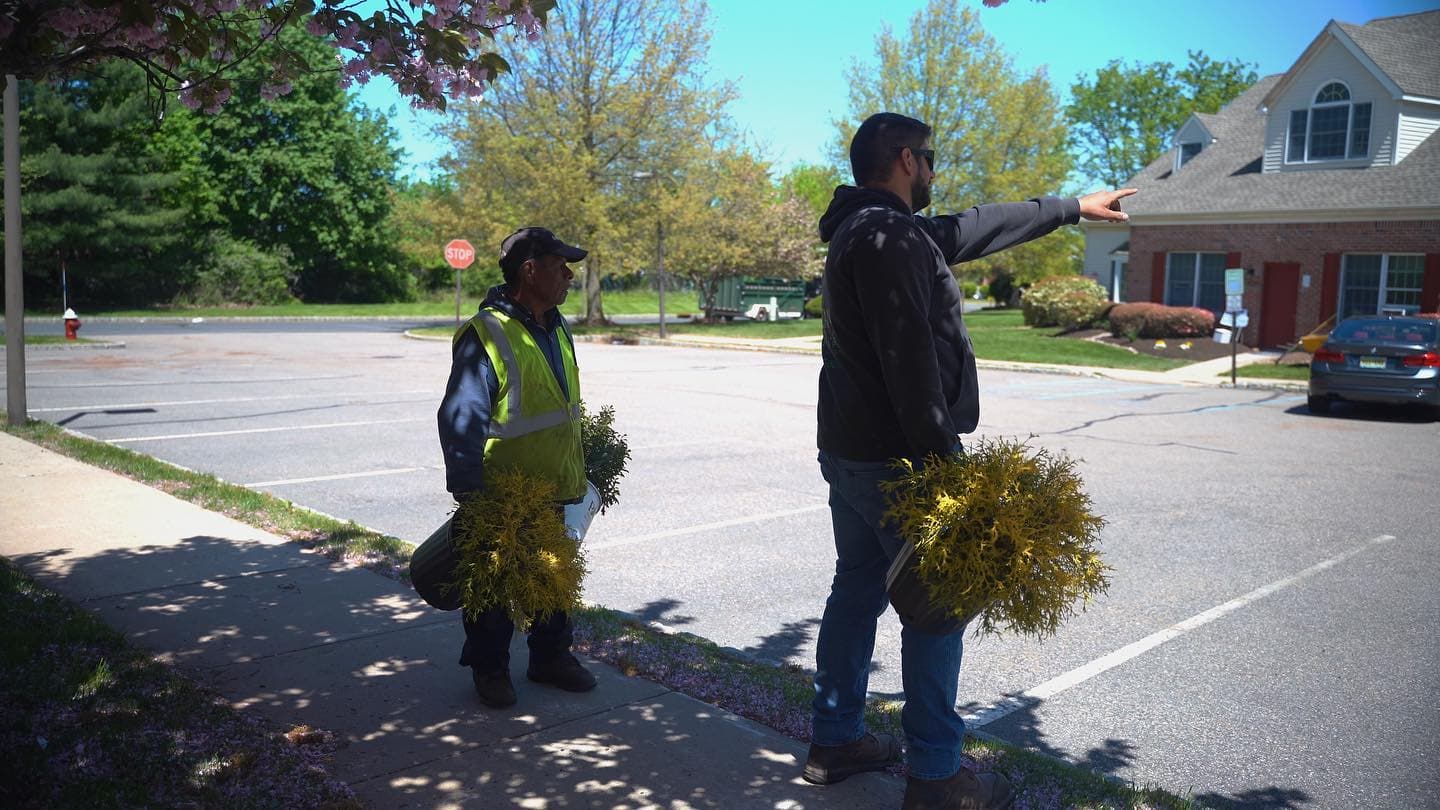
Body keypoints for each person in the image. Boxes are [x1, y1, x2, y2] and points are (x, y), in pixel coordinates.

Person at [802, 112, 1134, 809]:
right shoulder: (889, 236)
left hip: (851, 453)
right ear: (903, 159)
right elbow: (908, 365)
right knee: (936, 611)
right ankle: (935, 775)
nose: (934, 171)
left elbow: (974, 226)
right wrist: (946, 466)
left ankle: (835, 740)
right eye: (929, 159)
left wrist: (1070, 208)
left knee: (858, 590)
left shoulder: (878, 229)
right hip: (897, 462)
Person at [437, 226, 597, 709]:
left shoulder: (556, 324)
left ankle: (550, 657)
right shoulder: (484, 334)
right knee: (494, 585)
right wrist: (471, 492)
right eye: (559, 265)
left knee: (551, 577)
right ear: (529, 270)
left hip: (553, 485)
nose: (569, 275)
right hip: (503, 491)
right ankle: (489, 667)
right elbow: (459, 417)